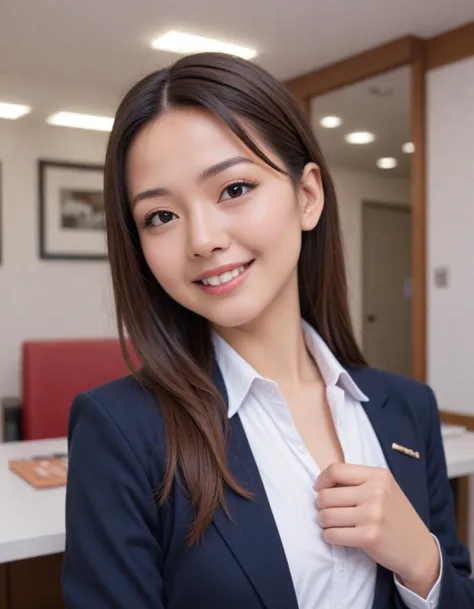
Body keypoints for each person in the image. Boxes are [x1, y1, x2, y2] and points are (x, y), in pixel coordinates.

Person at [62, 52, 474, 609]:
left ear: (308, 196)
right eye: (161, 216)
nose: (202, 239)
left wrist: (422, 563)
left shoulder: (408, 409)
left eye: (233, 189)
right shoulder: (121, 431)